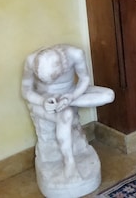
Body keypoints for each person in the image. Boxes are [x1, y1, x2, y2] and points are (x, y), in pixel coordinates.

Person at [21, 44, 114, 192]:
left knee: (108, 95)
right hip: (44, 101)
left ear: (64, 65)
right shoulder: (31, 60)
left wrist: (71, 96)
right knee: (66, 115)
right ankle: (69, 163)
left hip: (71, 93)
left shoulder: (75, 54)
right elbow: (26, 90)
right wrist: (43, 101)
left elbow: (84, 79)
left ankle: (67, 103)